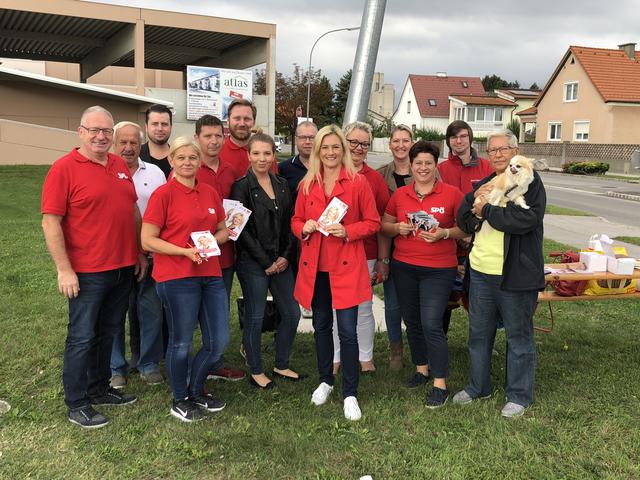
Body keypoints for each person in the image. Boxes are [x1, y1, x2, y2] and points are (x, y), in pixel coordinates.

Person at [41, 106, 142, 429]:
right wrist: (64, 269)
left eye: (106, 131)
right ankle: (77, 401)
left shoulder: (117, 164)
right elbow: (50, 222)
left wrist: (138, 252)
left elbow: (131, 210)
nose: (101, 136)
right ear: (81, 132)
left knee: (108, 332)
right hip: (87, 271)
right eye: (94, 130)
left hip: (123, 267)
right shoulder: (64, 169)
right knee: (82, 337)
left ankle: (99, 388)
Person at [453, 129, 546, 418]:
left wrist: (487, 210)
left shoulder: (529, 181)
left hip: (514, 275)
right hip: (480, 272)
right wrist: (472, 199)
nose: (497, 155)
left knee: (518, 338)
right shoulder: (486, 182)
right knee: (479, 335)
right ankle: (478, 386)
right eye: (492, 151)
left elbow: (527, 219)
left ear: (515, 150)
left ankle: (519, 395)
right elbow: (464, 220)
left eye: (503, 150)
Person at [292, 125, 380, 421]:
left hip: (347, 267)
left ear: (343, 149)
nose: (330, 152)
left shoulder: (357, 183)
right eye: (325, 147)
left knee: (348, 332)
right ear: (317, 151)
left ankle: (350, 392)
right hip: (316, 268)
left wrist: (348, 231)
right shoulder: (307, 184)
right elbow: (296, 219)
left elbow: (373, 222)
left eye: (335, 147)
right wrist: (301, 228)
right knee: (321, 327)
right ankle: (326, 380)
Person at [141, 136, 230, 422]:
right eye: (181, 158)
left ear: (200, 161)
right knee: (181, 342)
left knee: (218, 341)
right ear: (171, 161)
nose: (188, 162)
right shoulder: (163, 195)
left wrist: (210, 243)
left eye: (192, 157)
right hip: (177, 276)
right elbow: (147, 240)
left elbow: (223, 231)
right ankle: (180, 398)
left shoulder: (209, 192)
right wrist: (184, 252)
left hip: (210, 273)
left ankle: (197, 389)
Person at [382, 140, 466, 407]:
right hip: (404, 266)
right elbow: (384, 223)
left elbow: (466, 229)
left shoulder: (452, 194)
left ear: (435, 165)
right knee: (413, 322)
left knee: (431, 322)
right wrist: (398, 230)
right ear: (411, 164)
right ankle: (421, 369)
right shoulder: (401, 194)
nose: (423, 167)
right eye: (418, 162)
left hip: (438, 269)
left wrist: (445, 233)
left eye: (428, 163)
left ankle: (440, 383)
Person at [231, 133, 304, 389]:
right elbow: (241, 231)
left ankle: (281, 364)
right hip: (254, 263)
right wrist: (265, 262)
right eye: (256, 153)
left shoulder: (282, 184)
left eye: (267, 153)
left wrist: (285, 256)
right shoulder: (240, 187)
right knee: (255, 316)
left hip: (281, 260)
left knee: (292, 313)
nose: (262, 158)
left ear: (274, 155)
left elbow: (289, 224)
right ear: (248, 155)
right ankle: (256, 370)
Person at [110, 121, 166, 389]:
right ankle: (116, 367)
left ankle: (148, 363)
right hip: (113, 257)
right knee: (114, 314)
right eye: (123, 142)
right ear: (114, 142)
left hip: (150, 256)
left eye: (134, 142)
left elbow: (165, 213)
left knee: (151, 311)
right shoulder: (104, 171)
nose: (128, 148)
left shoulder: (155, 173)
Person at [332, 121, 390, 374]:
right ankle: (336, 357)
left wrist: (382, 259)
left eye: (364, 144)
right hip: (333, 253)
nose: (358, 148)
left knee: (364, 307)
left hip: (365, 252)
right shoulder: (329, 172)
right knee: (336, 306)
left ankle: (365, 356)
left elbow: (381, 223)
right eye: (353, 142)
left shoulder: (375, 180)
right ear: (344, 142)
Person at [191, 114, 245, 382]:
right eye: (207, 136)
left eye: (218, 136)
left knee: (218, 312)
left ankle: (214, 363)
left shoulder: (229, 171)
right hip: (193, 257)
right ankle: (188, 363)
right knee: (191, 314)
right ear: (196, 138)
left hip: (224, 257)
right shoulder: (189, 168)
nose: (213, 141)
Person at [437, 120, 495, 334]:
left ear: (470, 138)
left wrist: (472, 235)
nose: (458, 141)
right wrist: (458, 234)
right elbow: (439, 206)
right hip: (450, 246)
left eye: (462, 136)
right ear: (448, 141)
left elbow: (493, 203)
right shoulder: (440, 169)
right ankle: (439, 343)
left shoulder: (486, 167)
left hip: (479, 245)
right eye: (453, 137)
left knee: (478, 300)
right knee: (445, 301)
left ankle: (481, 343)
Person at [376, 125, 414, 370]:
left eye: (405, 140)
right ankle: (395, 351)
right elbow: (379, 219)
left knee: (417, 305)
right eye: (396, 141)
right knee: (392, 304)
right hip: (392, 247)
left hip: (421, 248)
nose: (401, 145)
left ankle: (419, 348)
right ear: (389, 144)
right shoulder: (380, 175)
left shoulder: (427, 168)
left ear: (412, 143)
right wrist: (383, 258)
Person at [221, 99, 276, 179]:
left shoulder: (265, 155)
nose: (242, 124)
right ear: (228, 121)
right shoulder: (217, 152)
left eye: (247, 119)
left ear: (253, 122)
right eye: (237, 118)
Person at [278, 121, 318, 206]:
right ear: (296, 140)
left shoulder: (327, 167)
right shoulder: (283, 168)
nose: (307, 141)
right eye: (303, 137)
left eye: (312, 137)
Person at [140, 104, 173, 178]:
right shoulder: (136, 156)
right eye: (155, 124)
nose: (160, 128)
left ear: (171, 127)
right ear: (146, 127)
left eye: (164, 124)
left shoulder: (179, 157)